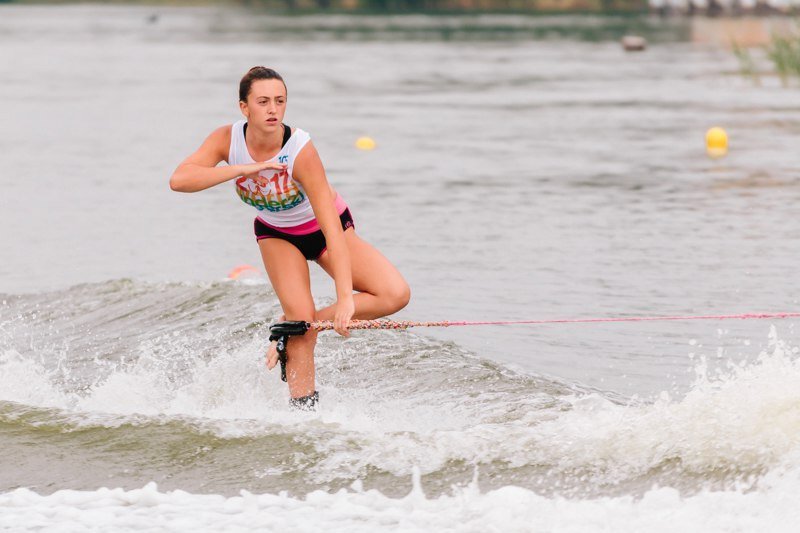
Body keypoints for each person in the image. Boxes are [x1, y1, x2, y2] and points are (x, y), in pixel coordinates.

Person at [169, 66, 410, 410]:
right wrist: (243, 169)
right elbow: (180, 180)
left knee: (395, 294)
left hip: (325, 231)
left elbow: (332, 230)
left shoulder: (299, 150)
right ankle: (302, 415)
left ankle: (301, 327)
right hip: (276, 234)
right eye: (263, 101)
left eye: (279, 101)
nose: (272, 109)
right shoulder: (228, 139)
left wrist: (344, 300)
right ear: (244, 108)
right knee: (300, 324)